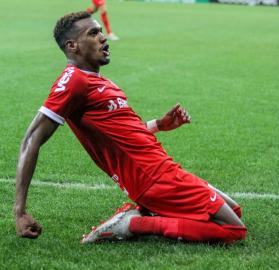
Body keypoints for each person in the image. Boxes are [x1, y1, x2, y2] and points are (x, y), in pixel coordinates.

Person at [13, 11, 247, 244]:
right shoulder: (74, 81)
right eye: (93, 33)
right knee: (233, 230)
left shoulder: (99, 80)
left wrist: (159, 124)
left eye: (101, 31)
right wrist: (20, 211)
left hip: (160, 168)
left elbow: (122, 133)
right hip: (152, 178)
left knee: (234, 211)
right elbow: (31, 139)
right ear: (73, 46)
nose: (103, 37)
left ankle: (145, 211)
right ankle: (133, 223)